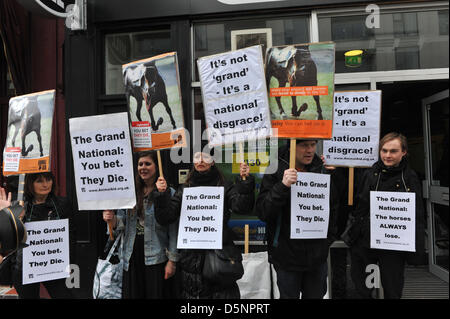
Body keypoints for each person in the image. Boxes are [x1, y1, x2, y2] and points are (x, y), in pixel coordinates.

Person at [154, 147, 255, 299]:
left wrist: (245, 182)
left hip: (219, 257)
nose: (200, 161)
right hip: (191, 262)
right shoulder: (185, 189)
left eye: (205, 157)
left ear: (213, 161)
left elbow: (241, 207)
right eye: (197, 157)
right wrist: (162, 195)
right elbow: (166, 217)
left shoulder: (224, 186)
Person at [256, 139, 340, 299]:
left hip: (317, 255)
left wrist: (327, 239)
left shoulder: (322, 168)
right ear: (292, 146)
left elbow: (334, 208)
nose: (310, 150)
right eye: (304, 145)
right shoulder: (276, 168)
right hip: (286, 255)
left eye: (313, 145)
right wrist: (282, 186)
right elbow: (263, 211)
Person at [348, 132, 425, 299]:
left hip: (393, 247)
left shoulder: (410, 177)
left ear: (404, 152)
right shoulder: (370, 173)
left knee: (392, 290)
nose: (387, 155)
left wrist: (417, 252)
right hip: (364, 243)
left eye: (393, 151)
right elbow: (358, 205)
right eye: (384, 150)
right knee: (361, 290)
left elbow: (417, 214)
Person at [103, 150, 179, 299]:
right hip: (131, 256)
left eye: (148, 164)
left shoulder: (168, 193)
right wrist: (111, 220)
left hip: (157, 258)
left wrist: (172, 261)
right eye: (140, 164)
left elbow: (174, 230)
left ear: (157, 167)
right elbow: (121, 223)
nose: (143, 167)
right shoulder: (130, 192)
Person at [10, 172, 75, 299]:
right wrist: (17, 220)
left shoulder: (62, 204)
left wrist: (70, 263)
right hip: (25, 267)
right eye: (39, 181)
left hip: (55, 264)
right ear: (30, 184)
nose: (45, 184)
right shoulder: (19, 206)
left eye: (48, 180)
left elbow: (71, 234)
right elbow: (9, 239)